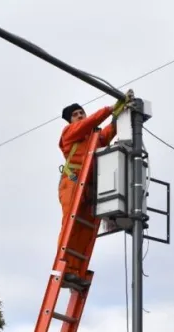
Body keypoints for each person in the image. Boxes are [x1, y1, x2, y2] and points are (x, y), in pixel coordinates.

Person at [57, 91, 133, 267]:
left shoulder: (94, 138)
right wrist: (110, 108)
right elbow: (90, 122)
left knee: (85, 230)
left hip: (88, 186)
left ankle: (76, 269)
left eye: (81, 112)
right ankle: (63, 265)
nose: (79, 115)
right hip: (72, 183)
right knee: (71, 226)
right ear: (70, 121)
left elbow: (108, 132)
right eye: (75, 114)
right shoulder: (69, 132)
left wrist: (121, 113)